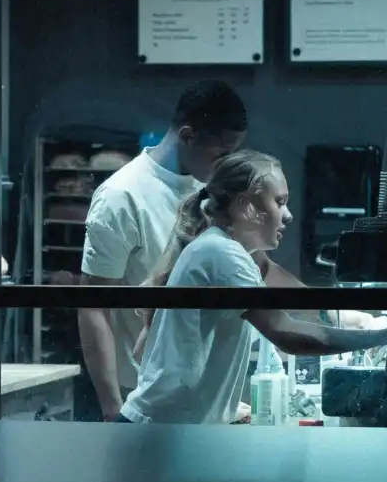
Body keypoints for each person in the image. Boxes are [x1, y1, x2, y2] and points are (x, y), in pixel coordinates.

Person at [119, 150, 387, 425]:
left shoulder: (221, 251)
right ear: (245, 206)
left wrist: (224, 406)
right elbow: (286, 332)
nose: (287, 216)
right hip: (158, 432)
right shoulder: (223, 255)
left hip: (165, 428)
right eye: (279, 202)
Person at [78, 81, 304, 422]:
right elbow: (94, 307)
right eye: (221, 153)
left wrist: (334, 312)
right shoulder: (121, 197)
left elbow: (261, 267)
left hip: (200, 399)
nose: (227, 163)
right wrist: (112, 407)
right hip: (141, 392)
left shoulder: (211, 186)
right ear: (187, 136)